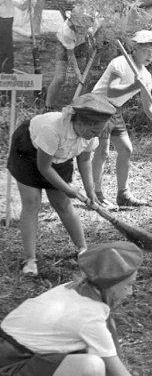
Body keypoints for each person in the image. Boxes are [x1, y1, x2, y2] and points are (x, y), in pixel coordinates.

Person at [0, 241, 152, 376]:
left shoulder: (74, 289)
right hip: (7, 373)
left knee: (99, 365)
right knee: (93, 370)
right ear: (111, 286)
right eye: (129, 285)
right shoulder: (90, 317)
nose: (131, 292)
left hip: (12, 360)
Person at [6, 94, 115, 277]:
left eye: (98, 133)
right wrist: (68, 188)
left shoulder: (91, 133)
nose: (94, 136)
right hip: (29, 152)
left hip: (59, 156)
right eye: (93, 132)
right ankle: (30, 260)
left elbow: (85, 159)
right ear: (80, 122)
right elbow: (44, 167)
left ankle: (83, 249)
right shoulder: (53, 129)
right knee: (32, 202)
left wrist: (91, 190)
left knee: (62, 203)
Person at [91, 30, 152, 207]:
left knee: (126, 149)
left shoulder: (146, 75)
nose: (150, 56)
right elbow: (111, 91)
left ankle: (123, 195)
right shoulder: (120, 63)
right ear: (135, 49)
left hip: (115, 110)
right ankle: (96, 194)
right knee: (103, 151)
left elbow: (148, 106)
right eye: (146, 51)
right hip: (97, 106)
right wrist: (134, 85)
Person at [45, 5, 100, 110]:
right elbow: (70, 55)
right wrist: (77, 73)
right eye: (78, 26)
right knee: (60, 78)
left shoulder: (93, 23)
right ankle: (48, 105)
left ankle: (80, 106)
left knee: (84, 78)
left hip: (82, 43)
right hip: (64, 45)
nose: (80, 28)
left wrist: (95, 40)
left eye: (83, 26)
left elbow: (98, 29)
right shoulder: (66, 31)